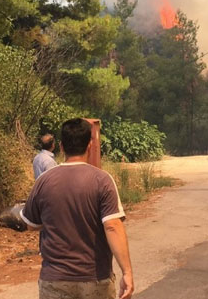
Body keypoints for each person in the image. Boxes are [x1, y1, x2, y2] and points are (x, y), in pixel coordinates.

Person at [21, 118, 134, 299]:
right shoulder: (102, 181)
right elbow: (112, 226)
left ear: (61, 146)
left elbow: (31, 224)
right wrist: (127, 272)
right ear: (90, 145)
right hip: (95, 280)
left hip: (55, 281)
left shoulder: (44, 181)